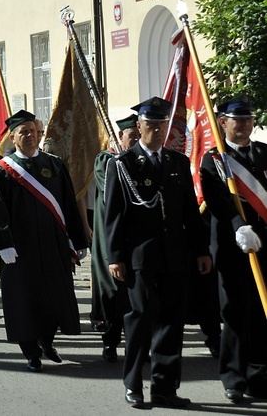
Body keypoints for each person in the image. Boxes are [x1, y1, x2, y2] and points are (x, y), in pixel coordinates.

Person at [104, 97, 211, 408]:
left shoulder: (177, 162)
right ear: (139, 127)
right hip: (139, 256)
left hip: (174, 256)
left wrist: (201, 249)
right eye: (151, 125)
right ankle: (133, 385)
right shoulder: (123, 164)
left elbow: (190, 212)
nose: (157, 130)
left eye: (162, 125)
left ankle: (165, 388)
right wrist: (115, 256)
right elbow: (113, 213)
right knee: (139, 320)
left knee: (170, 323)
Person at [0, 110, 86, 372]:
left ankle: (46, 339)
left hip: (53, 243)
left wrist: (76, 239)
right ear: (13, 137)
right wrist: (3, 242)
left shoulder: (54, 165)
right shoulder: (3, 171)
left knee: (53, 295)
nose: (31, 136)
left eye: (33, 131)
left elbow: (68, 204)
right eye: (24, 132)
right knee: (25, 298)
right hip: (21, 247)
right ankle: (31, 350)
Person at [200, 95, 267, 403]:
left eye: (248, 119)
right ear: (223, 123)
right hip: (232, 246)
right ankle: (233, 377)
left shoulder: (263, 153)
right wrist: (238, 225)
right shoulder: (214, 159)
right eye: (237, 120)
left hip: (264, 246)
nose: (244, 125)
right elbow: (215, 199)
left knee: (261, 312)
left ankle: (258, 374)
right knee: (235, 313)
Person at [90, 113, 139, 362]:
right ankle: (110, 342)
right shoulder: (106, 160)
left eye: (139, 135)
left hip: (135, 236)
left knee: (134, 293)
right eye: (132, 136)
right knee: (112, 291)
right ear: (120, 137)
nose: (136, 140)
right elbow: (112, 191)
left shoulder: (139, 160)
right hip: (110, 235)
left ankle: (136, 344)